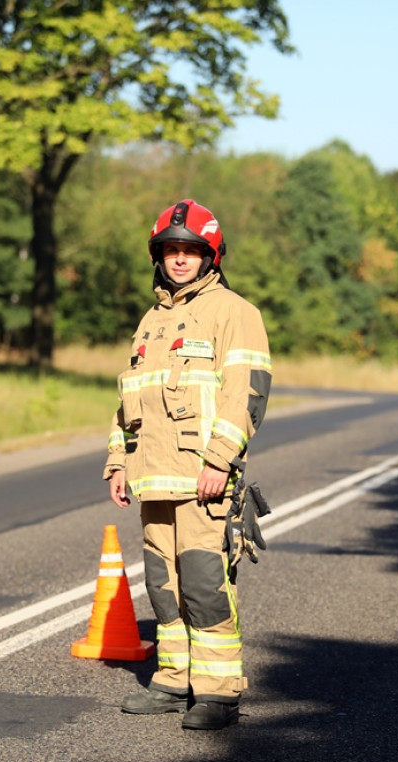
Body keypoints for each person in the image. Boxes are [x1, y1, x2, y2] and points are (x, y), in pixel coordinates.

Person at [104, 199, 272, 731]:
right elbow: (129, 399)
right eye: (171, 249)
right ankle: (174, 680)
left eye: (191, 250)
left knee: (204, 583)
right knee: (163, 585)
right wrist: (117, 462)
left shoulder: (234, 313)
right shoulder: (151, 321)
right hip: (153, 478)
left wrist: (220, 461)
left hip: (204, 479)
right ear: (159, 255)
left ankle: (218, 693)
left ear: (210, 255)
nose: (179, 259)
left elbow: (246, 395)